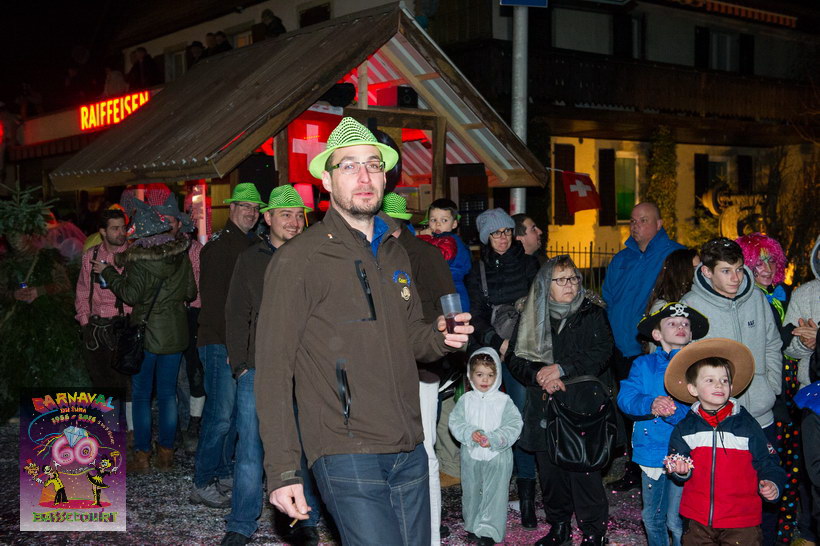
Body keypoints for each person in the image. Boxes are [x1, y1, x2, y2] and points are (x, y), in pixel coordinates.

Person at [254, 117, 472, 546]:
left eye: (373, 165)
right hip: (344, 447)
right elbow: (274, 370)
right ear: (326, 180)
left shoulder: (395, 253)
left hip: (408, 443)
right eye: (349, 165)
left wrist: (438, 336)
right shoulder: (299, 260)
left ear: (385, 177)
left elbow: (411, 338)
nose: (365, 176)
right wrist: (282, 469)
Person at [222, 186, 314, 546]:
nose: (293, 222)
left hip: (304, 368)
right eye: (285, 214)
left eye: (298, 215)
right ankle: (241, 522)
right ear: (268, 217)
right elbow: (236, 312)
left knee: (304, 445)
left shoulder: (312, 256)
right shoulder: (250, 258)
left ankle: (303, 517)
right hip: (259, 368)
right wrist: (241, 365)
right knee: (250, 448)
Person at [508, 255, 614, 545]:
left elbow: (603, 351)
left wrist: (562, 369)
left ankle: (593, 533)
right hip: (544, 404)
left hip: (582, 407)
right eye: (561, 279)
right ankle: (559, 528)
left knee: (584, 471)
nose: (570, 285)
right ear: (546, 285)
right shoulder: (530, 315)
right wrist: (540, 375)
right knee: (551, 473)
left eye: (574, 278)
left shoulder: (592, 313)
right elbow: (515, 358)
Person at [94, 200, 196, 472]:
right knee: (168, 394)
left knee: (141, 396)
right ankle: (166, 455)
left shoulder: (138, 260)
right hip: (175, 334)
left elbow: (130, 295)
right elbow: (191, 293)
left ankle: (142, 456)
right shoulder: (180, 256)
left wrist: (108, 273)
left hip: (147, 334)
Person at [383, 192, 457, 544]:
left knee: (424, 448)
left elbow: (449, 307)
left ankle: (430, 534)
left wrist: (443, 349)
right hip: (387, 367)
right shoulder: (378, 254)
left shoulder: (425, 255)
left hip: (421, 367)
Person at [665, 338, 786, 545]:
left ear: (731, 386)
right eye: (709, 380)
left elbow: (769, 462)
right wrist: (680, 469)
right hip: (697, 518)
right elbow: (676, 458)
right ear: (693, 389)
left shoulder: (747, 426)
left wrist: (772, 483)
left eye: (724, 380)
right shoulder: (685, 428)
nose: (719, 385)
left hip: (742, 520)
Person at [191, 183, 264, 508]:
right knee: (220, 416)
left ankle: (220, 472)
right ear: (232, 208)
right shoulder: (220, 248)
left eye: (255, 208)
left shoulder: (252, 244)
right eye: (245, 206)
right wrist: (232, 347)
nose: (251, 212)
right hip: (220, 341)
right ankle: (202, 481)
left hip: (236, 343)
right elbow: (217, 304)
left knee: (233, 415)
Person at [465, 206, 539, 527]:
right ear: (486, 238)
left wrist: (518, 344)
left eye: (507, 231)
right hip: (493, 351)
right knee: (486, 419)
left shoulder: (530, 264)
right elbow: (477, 317)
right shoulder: (478, 271)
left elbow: (539, 308)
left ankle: (526, 496)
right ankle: (487, 492)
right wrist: (499, 343)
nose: (502, 238)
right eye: (495, 234)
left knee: (520, 417)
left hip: (525, 350)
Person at [603, 201, 684, 491]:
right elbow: (608, 297)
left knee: (663, 409)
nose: (636, 225)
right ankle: (635, 466)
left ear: (659, 224)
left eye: (643, 220)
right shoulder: (621, 258)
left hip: (653, 350)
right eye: (633, 221)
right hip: (621, 347)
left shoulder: (673, 255)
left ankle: (669, 466)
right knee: (631, 409)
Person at [618, 302, 709, 546]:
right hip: (652, 451)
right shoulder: (643, 365)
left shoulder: (698, 368)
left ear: (691, 334)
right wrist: (650, 403)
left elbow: (702, 408)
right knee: (652, 516)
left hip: (687, 453)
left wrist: (674, 412)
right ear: (657, 334)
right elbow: (626, 398)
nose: (680, 326)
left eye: (685, 324)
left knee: (678, 519)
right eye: (672, 323)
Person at [449, 347, 522, 546]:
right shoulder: (465, 400)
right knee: (471, 492)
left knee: (495, 494)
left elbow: (514, 425)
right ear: (470, 375)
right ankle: (473, 525)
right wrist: (469, 433)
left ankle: (490, 530)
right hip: (471, 454)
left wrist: (495, 438)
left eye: (490, 375)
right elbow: (455, 422)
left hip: (497, 456)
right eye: (480, 374)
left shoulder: (503, 401)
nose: (485, 380)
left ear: (497, 375)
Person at [152, 194, 204, 454]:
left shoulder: (193, 250)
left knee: (192, 373)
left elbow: (197, 290)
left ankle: (192, 426)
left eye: (169, 221)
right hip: (163, 318)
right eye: (161, 221)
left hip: (190, 314)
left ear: (179, 224)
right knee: (168, 378)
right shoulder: (152, 250)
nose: (165, 226)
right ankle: (173, 431)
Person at [74, 208, 132, 434]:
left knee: (128, 385)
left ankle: (130, 433)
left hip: (123, 325)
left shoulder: (133, 255)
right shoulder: (91, 255)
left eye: (123, 228)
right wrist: (84, 323)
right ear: (103, 232)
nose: (121, 233)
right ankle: (111, 432)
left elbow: (135, 293)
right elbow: (82, 291)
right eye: (115, 228)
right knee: (102, 385)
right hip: (96, 328)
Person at [421, 198, 472, 312]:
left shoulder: (450, 240)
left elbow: (440, 258)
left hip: (453, 292)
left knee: (454, 321)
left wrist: (425, 239)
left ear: (454, 224)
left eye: (444, 220)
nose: (438, 224)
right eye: (433, 220)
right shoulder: (440, 239)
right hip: (445, 290)